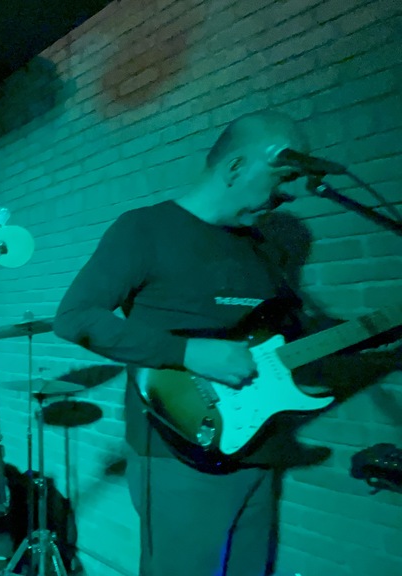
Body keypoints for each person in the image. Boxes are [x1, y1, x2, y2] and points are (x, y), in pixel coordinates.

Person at [53, 110, 315, 576]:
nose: (288, 193)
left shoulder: (261, 247)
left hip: (259, 446)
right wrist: (188, 352)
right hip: (178, 451)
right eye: (283, 176)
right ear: (236, 167)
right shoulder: (145, 229)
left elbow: (279, 336)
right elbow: (76, 317)